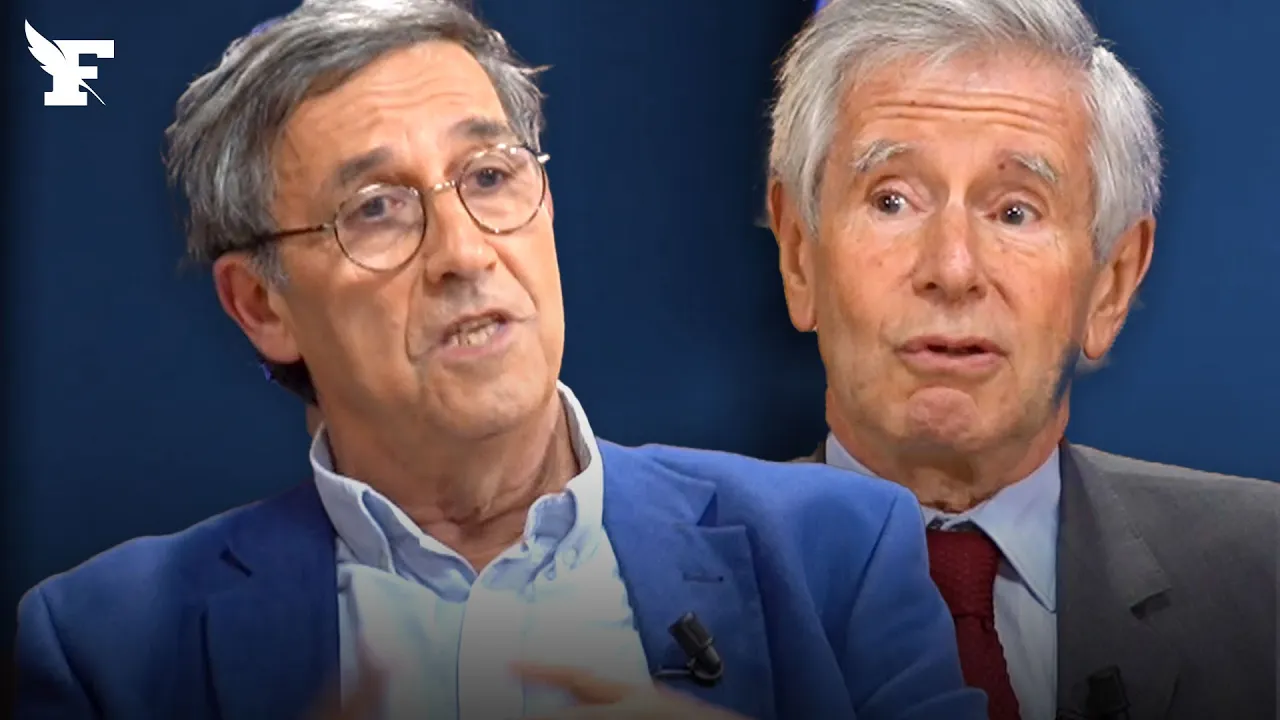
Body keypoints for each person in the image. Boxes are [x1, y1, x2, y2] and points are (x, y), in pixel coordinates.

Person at [13, 1, 986, 719]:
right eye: (375, 209)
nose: (465, 253)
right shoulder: (108, 647)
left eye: (488, 177)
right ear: (263, 306)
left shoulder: (833, 550)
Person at [766, 1, 1279, 719]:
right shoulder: (639, 590)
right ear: (799, 256)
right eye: (892, 200)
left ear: (1111, 283)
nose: (952, 269)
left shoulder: (1266, 582)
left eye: (1015, 211)